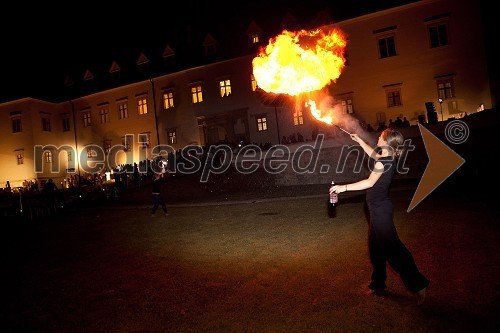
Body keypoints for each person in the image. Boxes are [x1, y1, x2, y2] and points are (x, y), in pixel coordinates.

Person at [330, 128, 429, 304]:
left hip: (380, 212)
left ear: (386, 142)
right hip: (377, 210)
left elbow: (369, 182)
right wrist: (359, 141)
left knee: (394, 251)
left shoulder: (385, 162)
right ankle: (378, 285)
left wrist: (342, 188)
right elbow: (373, 155)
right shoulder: (387, 158)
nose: (378, 137)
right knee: (376, 250)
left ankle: (419, 284)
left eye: (381, 136)